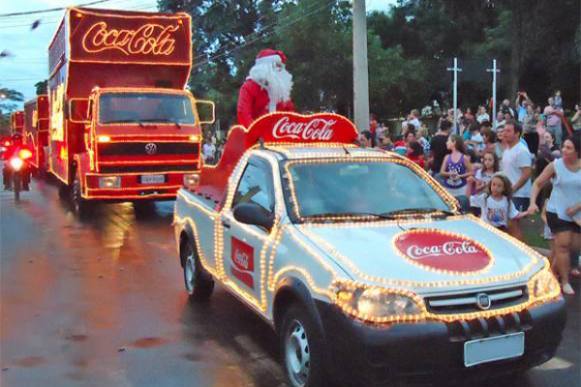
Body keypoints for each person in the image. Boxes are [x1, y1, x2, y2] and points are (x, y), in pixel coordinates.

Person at [527, 134, 581, 295]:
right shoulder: (555, 165)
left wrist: (577, 207)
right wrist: (532, 202)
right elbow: (537, 183)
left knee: (574, 246)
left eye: (569, 147)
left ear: (578, 151)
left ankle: (550, 271)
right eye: (563, 146)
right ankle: (564, 281)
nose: (564, 150)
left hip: (577, 213)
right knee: (563, 245)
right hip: (556, 211)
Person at [237, 49, 295, 127]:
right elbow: (243, 114)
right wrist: (257, 134)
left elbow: (290, 114)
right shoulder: (249, 87)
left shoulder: (282, 90)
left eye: (281, 67)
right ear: (264, 68)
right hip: (256, 135)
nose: (280, 70)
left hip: (279, 135)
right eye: (277, 66)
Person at [500, 121, 532, 212]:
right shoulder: (507, 150)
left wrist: (513, 189)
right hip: (508, 193)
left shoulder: (521, 151)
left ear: (517, 133)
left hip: (519, 195)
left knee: (515, 223)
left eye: (508, 131)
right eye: (504, 130)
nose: (504, 133)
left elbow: (527, 173)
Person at [440, 135, 472, 209]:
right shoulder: (447, 157)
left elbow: (472, 172)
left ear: (454, 142)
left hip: (461, 188)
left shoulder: (464, 157)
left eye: (448, 141)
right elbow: (442, 172)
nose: (446, 143)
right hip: (448, 187)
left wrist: (460, 176)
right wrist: (450, 173)